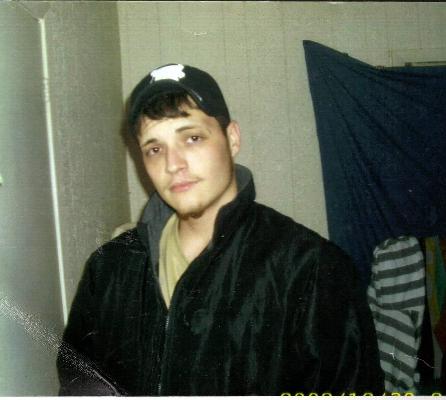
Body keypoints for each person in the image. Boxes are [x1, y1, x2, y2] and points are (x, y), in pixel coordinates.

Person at [57, 63, 384, 395]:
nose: (173, 164)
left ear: (232, 138)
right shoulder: (109, 268)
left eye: (192, 138)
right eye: (155, 149)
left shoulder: (312, 269)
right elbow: (80, 382)